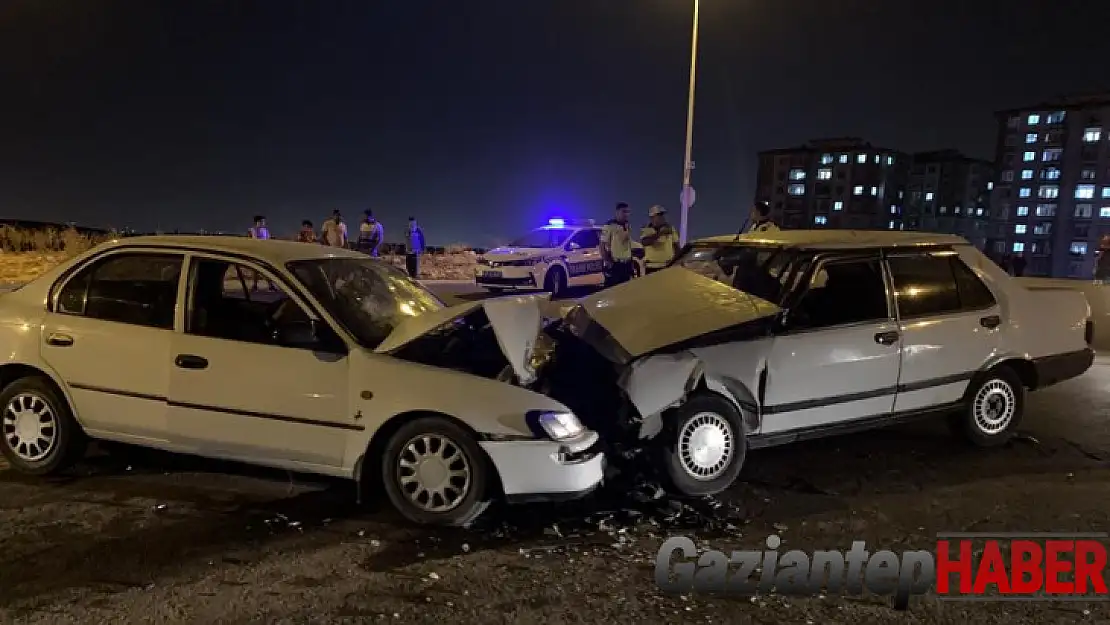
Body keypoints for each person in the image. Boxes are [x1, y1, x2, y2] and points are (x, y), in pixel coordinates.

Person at [600, 202, 634, 287]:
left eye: (628, 212)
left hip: (626, 265)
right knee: (612, 292)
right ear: (617, 212)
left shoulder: (627, 225)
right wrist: (608, 262)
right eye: (624, 211)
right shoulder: (609, 226)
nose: (626, 214)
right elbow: (602, 245)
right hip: (615, 265)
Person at [640, 205, 680, 274]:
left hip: (667, 265)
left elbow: (676, 246)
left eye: (662, 215)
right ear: (652, 218)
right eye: (659, 215)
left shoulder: (670, 228)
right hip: (651, 267)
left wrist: (677, 261)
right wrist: (660, 234)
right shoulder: (646, 230)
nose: (662, 217)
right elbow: (645, 242)